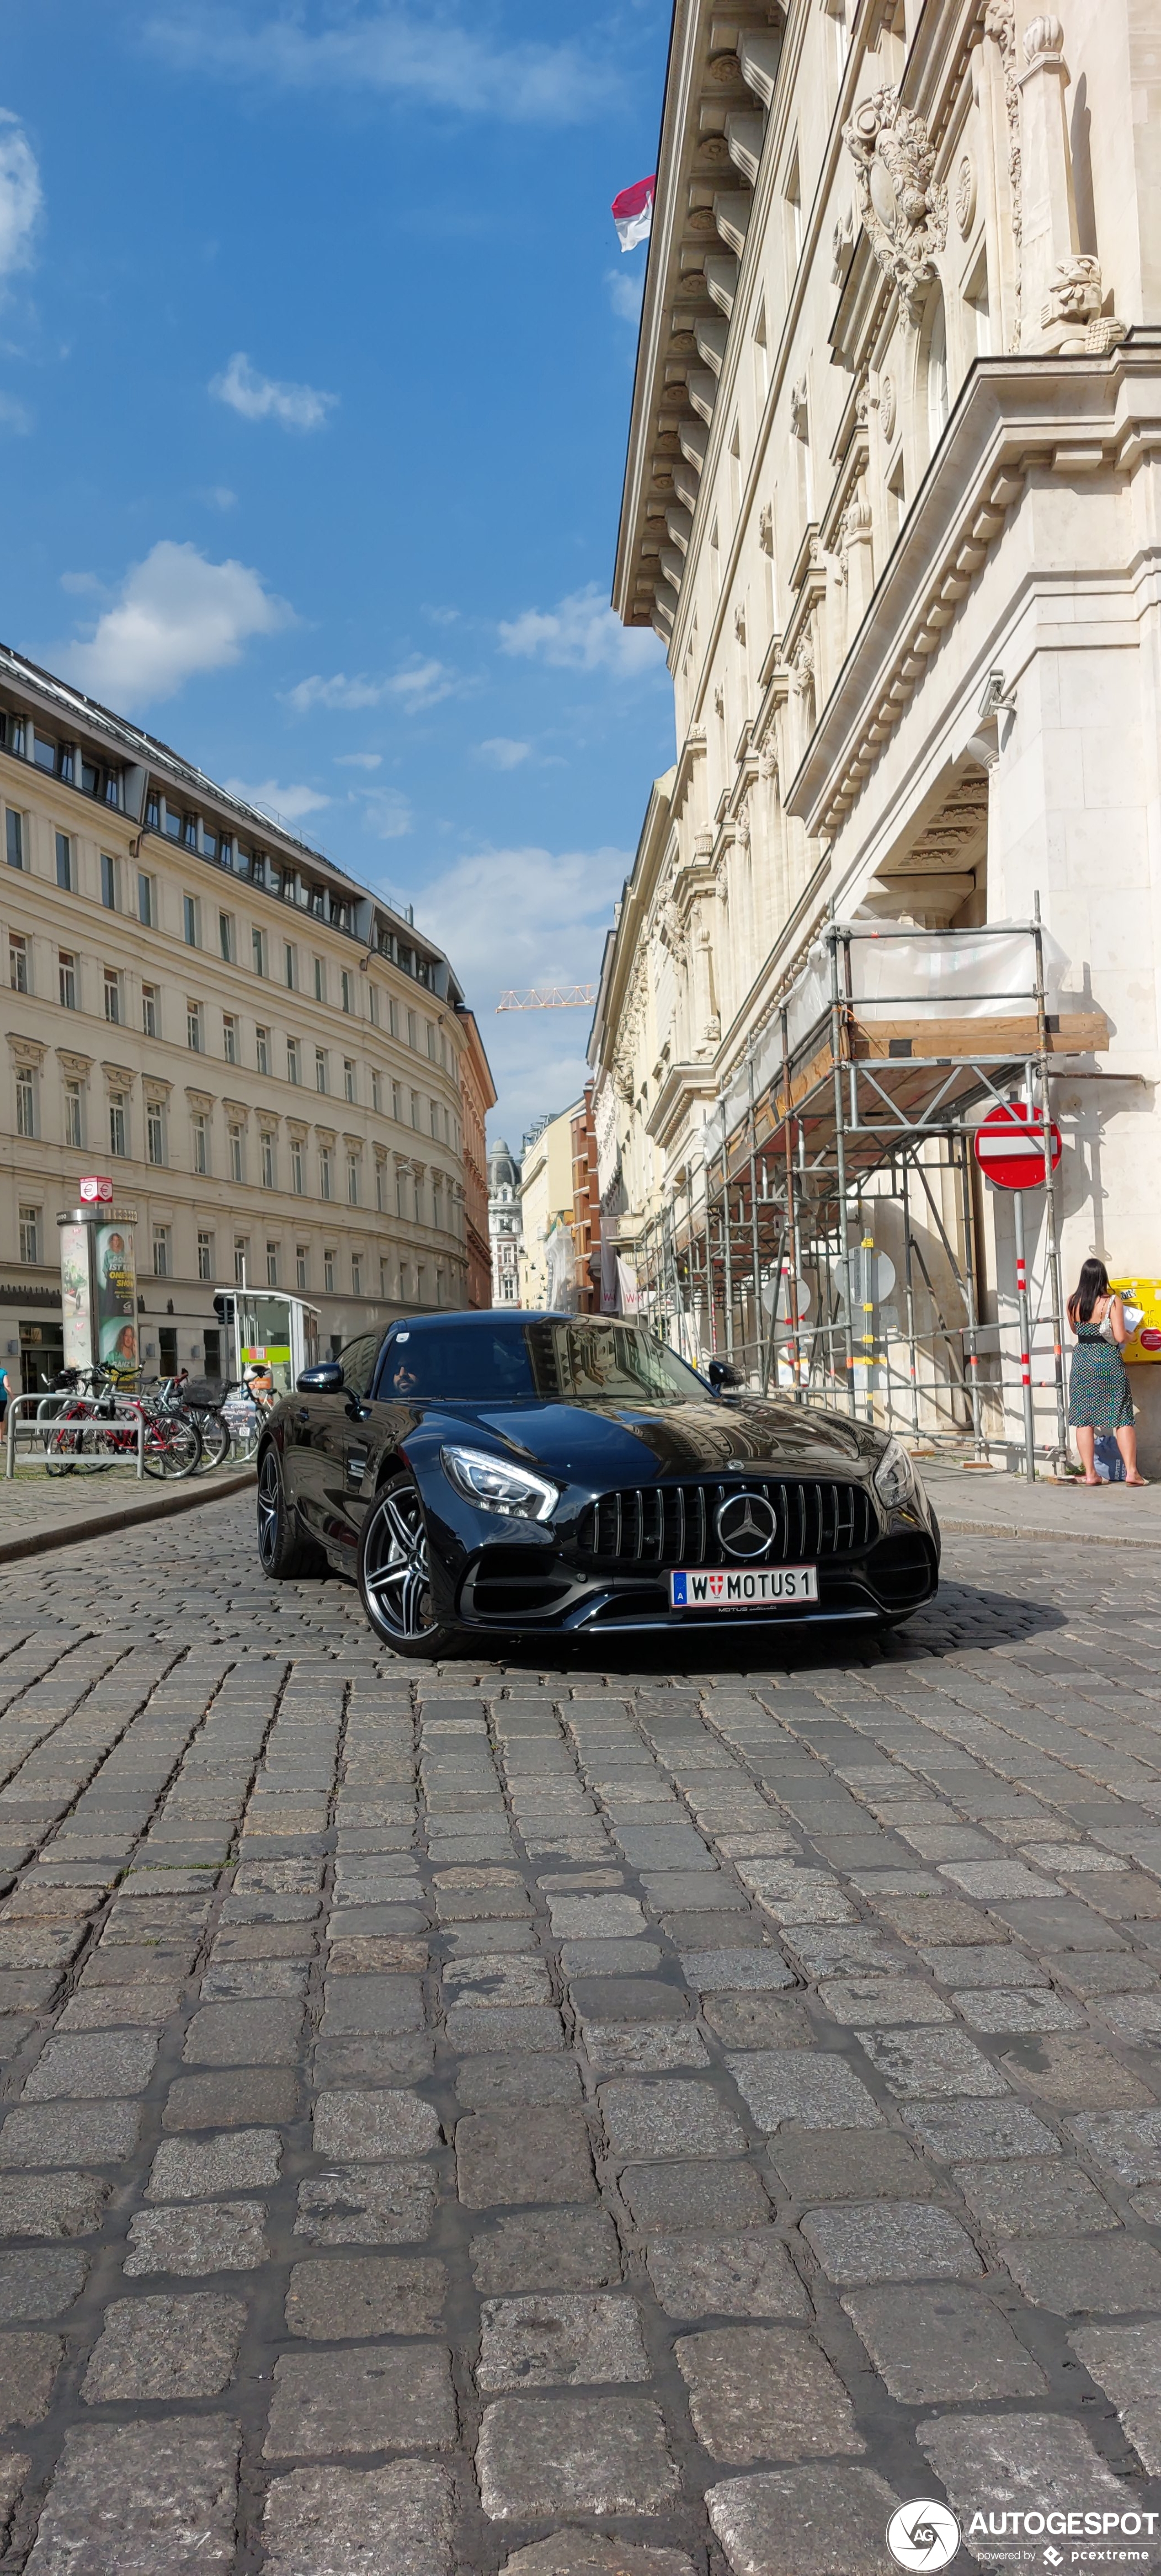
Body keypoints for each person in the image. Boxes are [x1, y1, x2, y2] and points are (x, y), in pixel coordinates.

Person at [1067, 1257, 1146, 1485]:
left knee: (1084, 1418)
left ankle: (1091, 1474)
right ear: (1103, 1277)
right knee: (1122, 1416)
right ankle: (1132, 1473)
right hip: (1108, 1360)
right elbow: (1120, 1336)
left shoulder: (1072, 1302)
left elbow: (1076, 1330)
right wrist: (1132, 1336)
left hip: (1083, 1361)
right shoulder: (1112, 1302)